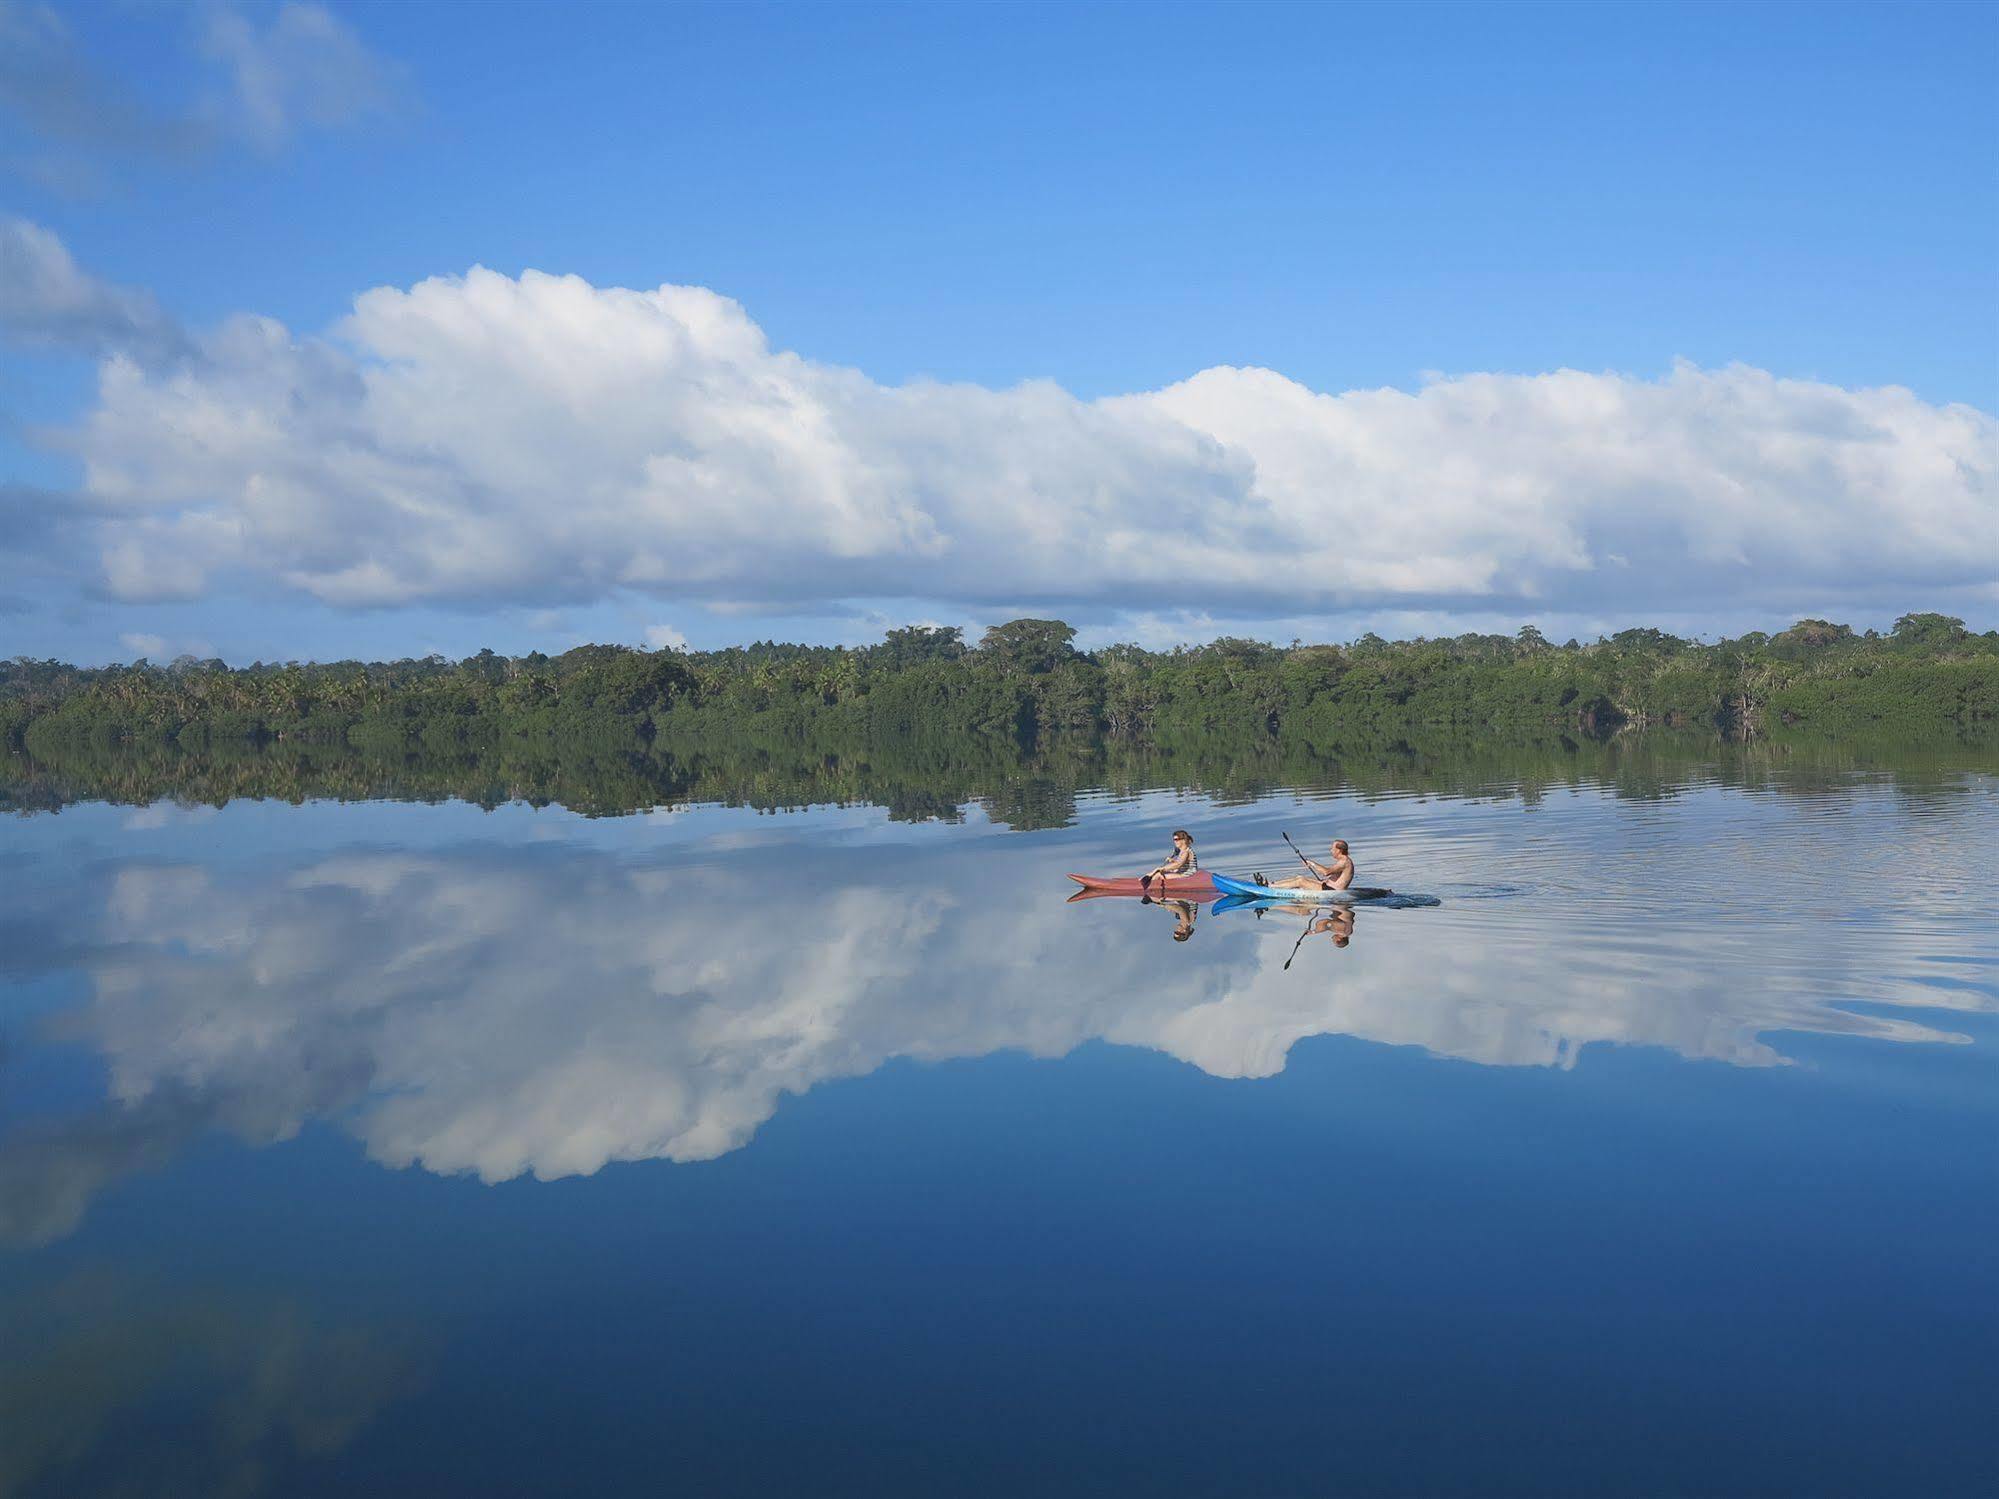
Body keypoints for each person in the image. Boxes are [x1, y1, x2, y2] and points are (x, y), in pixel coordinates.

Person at [1266, 838, 1354, 892]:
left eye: (1332, 848)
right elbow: (1334, 876)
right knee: (1300, 878)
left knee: (1300, 882)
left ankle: (1270, 887)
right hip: (1327, 886)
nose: (1330, 850)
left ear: (1339, 850)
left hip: (1332, 891)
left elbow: (1326, 872)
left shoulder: (1344, 861)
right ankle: (1272, 883)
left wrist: (1311, 863)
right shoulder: (1343, 860)